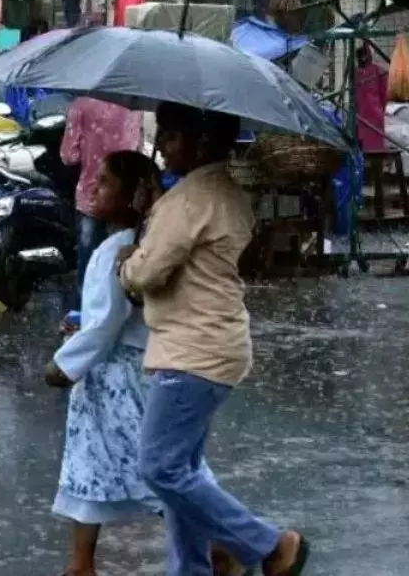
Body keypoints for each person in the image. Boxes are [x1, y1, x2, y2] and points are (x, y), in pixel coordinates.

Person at [118, 102, 309, 576]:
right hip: (213, 342)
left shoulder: (188, 200)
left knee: (160, 468)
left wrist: (128, 257)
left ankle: (267, 545)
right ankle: (193, 568)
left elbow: (146, 273)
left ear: (201, 142)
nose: (161, 145)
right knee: (183, 469)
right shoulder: (223, 191)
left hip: (193, 351)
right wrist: (153, 213)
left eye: (171, 135)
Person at [45, 152, 248, 576]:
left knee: (160, 474)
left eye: (105, 182)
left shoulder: (122, 251)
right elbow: (107, 316)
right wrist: (81, 325)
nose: (93, 187)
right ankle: (81, 562)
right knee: (91, 466)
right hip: (108, 379)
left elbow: (106, 327)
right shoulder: (126, 246)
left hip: (123, 378)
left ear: (135, 195)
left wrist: (64, 365)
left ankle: (224, 545)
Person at [60, 96, 142, 311]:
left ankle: (83, 318)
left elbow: (69, 156)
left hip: (91, 197)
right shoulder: (133, 107)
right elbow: (138, 149)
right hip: (126, 200)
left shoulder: (81, 105)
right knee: (123, 263)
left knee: (89, 268)